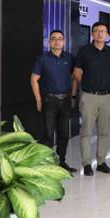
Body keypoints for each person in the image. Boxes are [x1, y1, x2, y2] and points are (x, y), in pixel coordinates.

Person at [73, 22, 110, 176]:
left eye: (103, 31)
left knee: (103, 132)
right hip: (89, 96)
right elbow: (77, 71)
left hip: (106, 97)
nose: (100, 33)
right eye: (97, 31)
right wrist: (87, 84)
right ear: (92, 34)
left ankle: (101, 162)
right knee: (86, 131)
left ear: (107, 35)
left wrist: (108, 84)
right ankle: (86, 164)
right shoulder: (84, 51)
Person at [30, 29, 77, 173]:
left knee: (64, 134)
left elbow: (75, 77)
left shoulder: (69, 58)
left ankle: (61, 161)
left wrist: (73, 96)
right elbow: (34, 79)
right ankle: (45, 164)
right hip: (49, 100)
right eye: (53, 38)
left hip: (65, 101)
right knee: (48, 134)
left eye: (60, 39)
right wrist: (38, 100)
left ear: (64, 42)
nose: (57, 41)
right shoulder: (42, 59)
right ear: (49, 42)